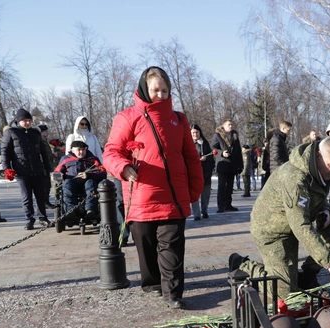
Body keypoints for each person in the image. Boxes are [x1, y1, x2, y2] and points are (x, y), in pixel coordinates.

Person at [103, 66, 203, 309]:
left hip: (173, 196)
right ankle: (153, 284)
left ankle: (173, 294)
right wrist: (123, 167)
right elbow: (111, 152)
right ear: (144, 90)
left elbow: (190, 156)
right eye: (155, 90)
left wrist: (194, 188)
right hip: (141, 197)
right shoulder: (127, 117)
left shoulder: (179, 119)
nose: (161, 95)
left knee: (172, 247)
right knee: (146, 246)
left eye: (165, 90)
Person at [241, 136, 330, 299]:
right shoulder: (294, 178)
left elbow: (320, 197)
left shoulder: (321, 169)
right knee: (285, 294)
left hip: (293, 224)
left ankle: (307, 277)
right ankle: (243, 265)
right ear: (318, 155)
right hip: (272, 232)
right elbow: (300, 226)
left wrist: (325, 211)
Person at [1, 108, 53, 230]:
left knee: (40, 195)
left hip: (37, 169)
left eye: (29, 120)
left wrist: (47, 167)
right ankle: (29, 219)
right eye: (25, 120)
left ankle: (43, 218)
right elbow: (5, 151)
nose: (28, 123)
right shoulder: (11, 132)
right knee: (26, 197)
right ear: (19, 121)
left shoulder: (35, 133)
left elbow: (43, 152)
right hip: (21, 170)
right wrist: (7, 168)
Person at [54, 141, 106, 218]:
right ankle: (70, 210)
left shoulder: (93, 159)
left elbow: (103, 173)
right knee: (67, 183)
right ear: (72, 150)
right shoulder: (65, 159)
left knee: (90, 183)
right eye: (78, 150)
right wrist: (57, 177)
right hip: (72, 182)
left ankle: (90, 210)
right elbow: (57, 171)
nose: (81, 152)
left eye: (83, 149)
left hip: (88, 183)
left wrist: (88, 175)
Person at [211, 119, 243, 213]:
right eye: (229, 125)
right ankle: (220, 206)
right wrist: (221, 153)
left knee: (230, 186)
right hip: (222, 164)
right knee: (221, 186)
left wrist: (240, 165)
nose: (231, 126)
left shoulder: (235, 137)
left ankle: (228, 205)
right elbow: (213, 148)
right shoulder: (217, 136)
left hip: (232, 165)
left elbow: (238, 152)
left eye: (232, 124)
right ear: (223, 126)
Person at [190, 124, 214, 219]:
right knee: (194, 193)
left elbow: (211, 156)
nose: (195, 134)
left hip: (205, 172)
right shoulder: (188, 143)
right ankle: (196, 214)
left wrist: (206, 158)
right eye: (193, 133)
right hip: (194, 172)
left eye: (197, 132)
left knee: (206, 193)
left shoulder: (205, 143)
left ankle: (205, 210)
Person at [38, 124, 57, 209]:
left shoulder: (44, 141)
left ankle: (46, 201)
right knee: (44, 186)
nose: (47, 132)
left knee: (47, 185)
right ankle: (44, 202)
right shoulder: (40, 141)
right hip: (42, 166)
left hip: (47, 165)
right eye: (45, 131)